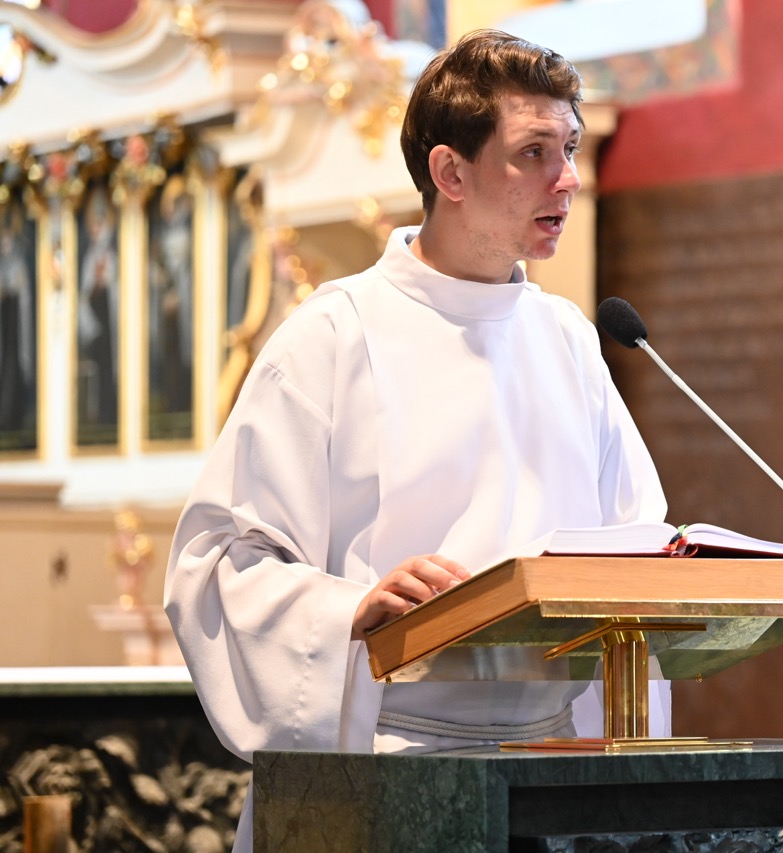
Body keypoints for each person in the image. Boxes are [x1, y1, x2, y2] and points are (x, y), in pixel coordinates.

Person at [164, 30, 668, 851]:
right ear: (450, 173)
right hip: (386, 766)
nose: (569, 178)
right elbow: (217, 564)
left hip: (553, 780)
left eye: (570, 148)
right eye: (534, 152)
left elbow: (637, 546)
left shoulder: (570, 340)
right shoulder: (334, 335)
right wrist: (348, 611)